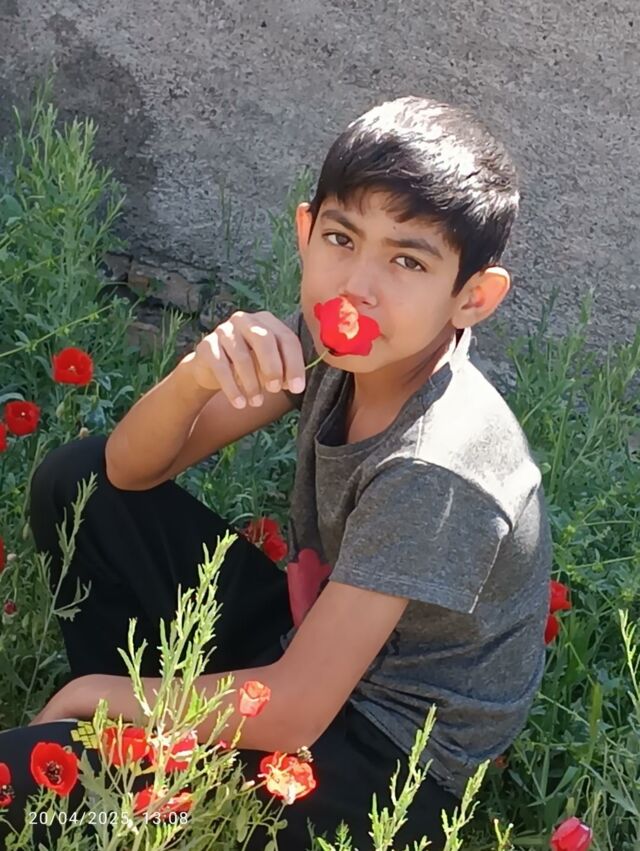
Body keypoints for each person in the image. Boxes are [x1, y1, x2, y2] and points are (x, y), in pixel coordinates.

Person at [4, 94, 552, 850]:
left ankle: (118, 765)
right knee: (79, 484)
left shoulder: (438, 464)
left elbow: (294, 710)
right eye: (341, 238)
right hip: (308, 649)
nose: (357, 285)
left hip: (382, 760)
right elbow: (126, 471)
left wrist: (96, 694)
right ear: (305, 231)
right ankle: (129, 762)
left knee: (18, 787)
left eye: (407, 260)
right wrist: (199, 373)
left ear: (473, 297)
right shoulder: (336, 348)